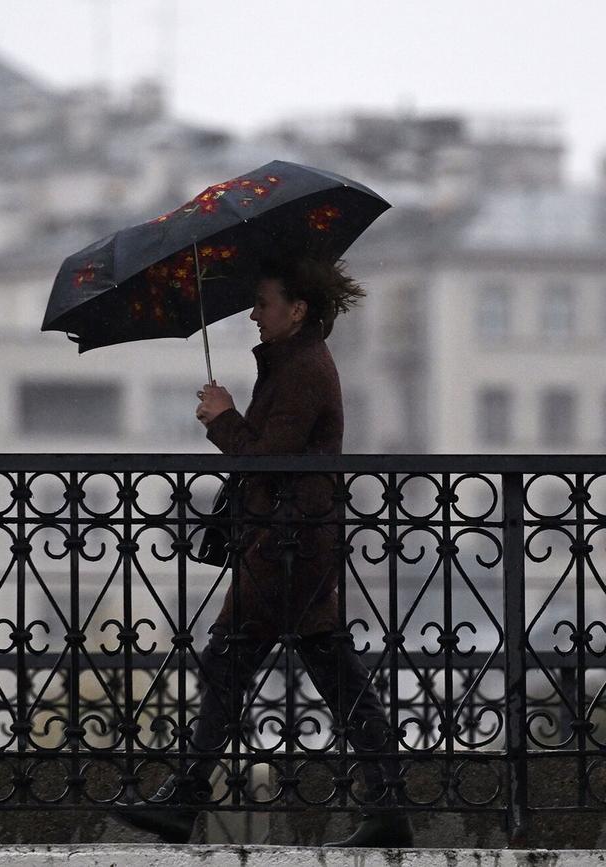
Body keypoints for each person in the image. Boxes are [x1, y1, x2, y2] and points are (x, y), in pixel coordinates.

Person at [115, 257, 413, 848]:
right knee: (333, 671)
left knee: (229, 660)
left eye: (264, 303)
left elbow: (270, 458)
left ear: (297, 310)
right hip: (291, 539)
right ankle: (388, 806)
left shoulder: (302, 368)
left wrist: (223, 419)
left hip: (289, 543)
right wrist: (228, 419)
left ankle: (186, 799)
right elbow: (273, 454)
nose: (253, 314)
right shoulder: (294, 363)